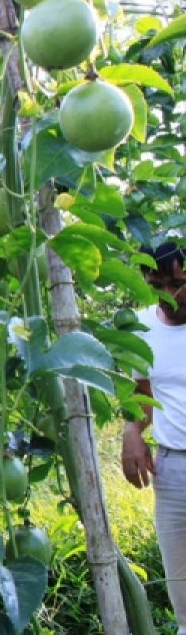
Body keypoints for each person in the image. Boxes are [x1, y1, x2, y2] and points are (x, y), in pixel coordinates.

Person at [122, 240, 186, 635]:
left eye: (176, 284)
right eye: (155, 285)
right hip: (174, 468)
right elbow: (142, 396)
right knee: (181, 588)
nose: (166, 296)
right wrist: (132, 430)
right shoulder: (142, 327)